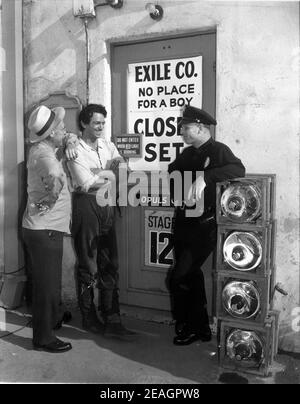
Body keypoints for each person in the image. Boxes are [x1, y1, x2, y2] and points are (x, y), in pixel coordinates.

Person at [168, 105, 245, 346]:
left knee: (179, 277)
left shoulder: (218, 150)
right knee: (191, 276)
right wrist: (179, 190)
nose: (183, 133)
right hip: (183, 223)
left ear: (201, 127)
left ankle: (187, 325)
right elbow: (172, 170)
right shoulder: (188, 153)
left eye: (186, 128)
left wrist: (206, 177)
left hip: (203, 226)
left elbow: (237, 169)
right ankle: (201, 328)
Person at [66, 103, 135, 337]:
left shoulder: (107, 144)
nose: (100, 127)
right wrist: (111, 174)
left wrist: (110, 174)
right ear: (84, 123)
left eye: (103, 123)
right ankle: (88, 316)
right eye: (96, 123)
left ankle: (112, 315)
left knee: (110, 261)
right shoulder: (75, 150)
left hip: (108, 204)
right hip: (87, 205)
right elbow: (85, 182)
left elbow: (122, 165)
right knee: (87, 263)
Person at [22, 104, 76, 353]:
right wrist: (50, 200)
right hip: (44, 230)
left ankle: (53, 317)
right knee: (45, 285)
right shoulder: (44, 155)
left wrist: (70, 140)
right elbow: (54, 174)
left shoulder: (45, 148)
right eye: (62, 128)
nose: (65, 129)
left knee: (50, 280)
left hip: (45, 228)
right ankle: (43, 338)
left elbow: (63, 149)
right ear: (51, 133)